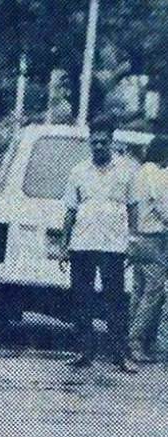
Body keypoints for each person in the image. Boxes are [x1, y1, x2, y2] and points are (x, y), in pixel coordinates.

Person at [60, 115, 139, 372]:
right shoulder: (78, 172)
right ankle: (84, 351)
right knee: (81, 299)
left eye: (103, 142)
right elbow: (70, 210)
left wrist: (133, 241)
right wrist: (64, 245)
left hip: (114, 245)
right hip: (83, 243)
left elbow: (133, 208)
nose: (98, 147)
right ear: (89, 142)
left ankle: (120, 354)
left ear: (111, 141)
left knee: (115, 300)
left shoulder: (126, 171)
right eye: (94, 142)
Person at [128, 134, 168, 362]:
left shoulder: (140, 172)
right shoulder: (157, 174)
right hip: (154, 238)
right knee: (153, 293)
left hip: (138, 237)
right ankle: (135, 341)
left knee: (139, 290)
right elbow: (162, 206)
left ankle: (129, 338)